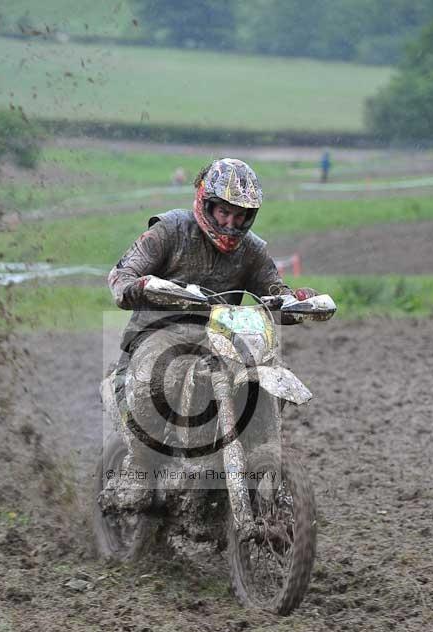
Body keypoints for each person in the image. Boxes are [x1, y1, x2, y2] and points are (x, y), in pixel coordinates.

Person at [104, 158, 315, 507]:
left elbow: (274, 291)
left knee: (261, 371)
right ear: (206, 203)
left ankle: (260, 466)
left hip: (221, 337)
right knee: (160, 377)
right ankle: (141, 472)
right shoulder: (168, 231)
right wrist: (136, 285)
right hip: (158, 334)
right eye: (223, 213)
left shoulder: (252, 250)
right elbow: (120, 275)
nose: (231, 223)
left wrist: (294, 301)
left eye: (241, 215)